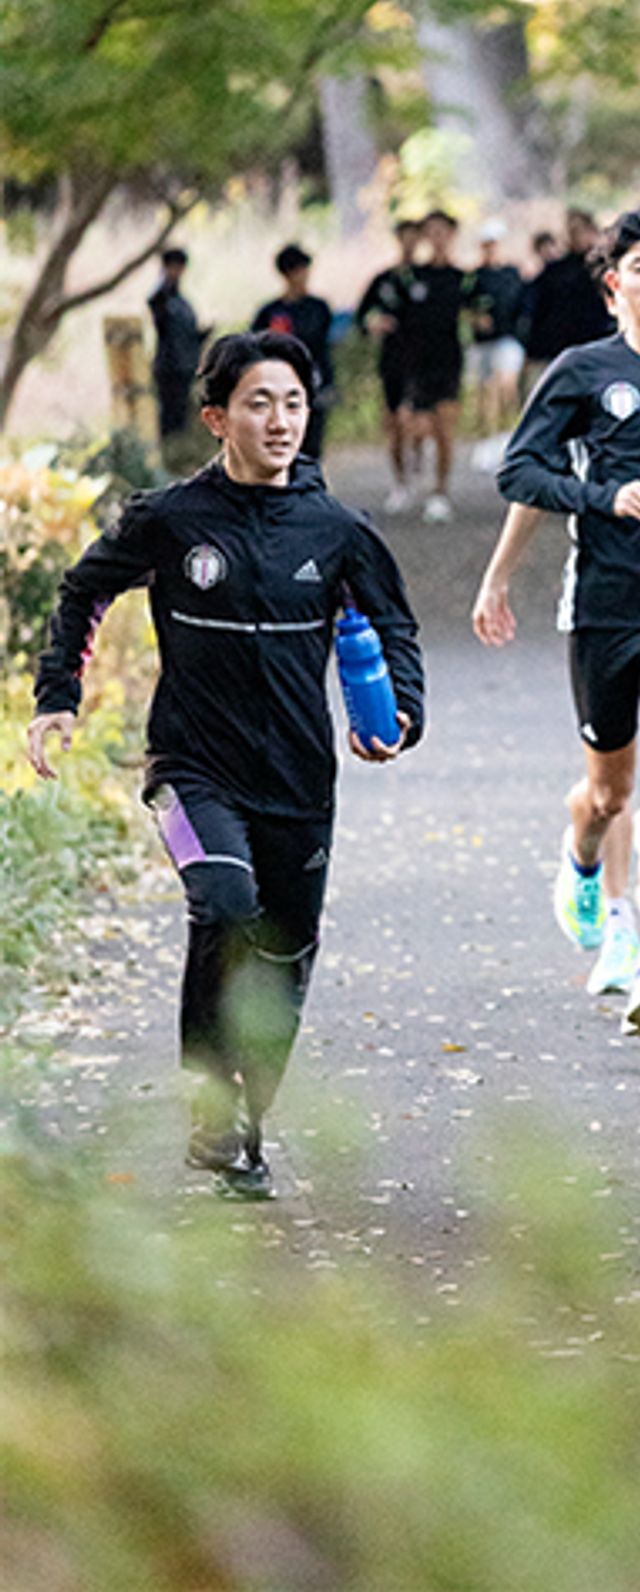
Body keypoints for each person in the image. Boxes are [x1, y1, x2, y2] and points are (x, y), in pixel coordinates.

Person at [26, 331, 424, 1201]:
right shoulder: (170, 520)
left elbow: (395, 627)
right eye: (258, 403)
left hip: (299, 782)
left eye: (293, 404)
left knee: (282, 963)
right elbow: (83, 589)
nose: (279, 421)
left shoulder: (337, 531)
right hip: (191, 768)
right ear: (216, 418)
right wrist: (59, 694)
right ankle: (209, 1102)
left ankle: (246, 1124)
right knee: (223, 900)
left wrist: (404, 714)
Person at [472, 205, 640, 1032]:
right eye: (638, 267)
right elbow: (521, 474)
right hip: (604, 606)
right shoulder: (583, 371)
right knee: (608, 793)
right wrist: (597, 501)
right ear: (613, 287)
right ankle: (583, 859)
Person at [399, 210, 467, 522]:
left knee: (444, 428)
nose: (437, 237)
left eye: (443, 231)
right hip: (416, 362)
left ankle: (440, 492)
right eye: (431, 231)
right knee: (416, 428)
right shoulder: (412, 277)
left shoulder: (462, 278)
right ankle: (414, 474)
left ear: (451, 235)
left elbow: (479, 309)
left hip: (448, 360)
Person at [356, 218, 423, 512]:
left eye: (413, 237)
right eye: (404, 237)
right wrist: (373, 323)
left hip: (423, 359)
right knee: (394, 421)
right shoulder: (384, 279)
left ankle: (418, 457)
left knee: (416, 419)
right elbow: (361, 315)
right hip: (393, 358)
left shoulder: (428, 277)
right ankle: (400, 481)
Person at [253, 244, 336, 460]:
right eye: (299, 271)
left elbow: (325, 347)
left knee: (312, 443)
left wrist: (329, 382)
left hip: (314, 382)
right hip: (280, 386)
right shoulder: (270, 312)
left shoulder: (319, 307)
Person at [523, 209, 614, 384]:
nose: (575, 236)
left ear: (591, 232)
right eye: (571, 230)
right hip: (559, 353)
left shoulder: (605, 269)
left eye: (580, 230)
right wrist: (533, 351)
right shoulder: (554, 271)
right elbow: (540, 311)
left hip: (598, 350)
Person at [463, 222, 528, 456]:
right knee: (484, 392)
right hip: (482, 342)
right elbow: (464, 307)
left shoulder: (512, 274)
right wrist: (475, 318)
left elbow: (523, 305)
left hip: (507, 339)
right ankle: (487, 437)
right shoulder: (474, 277)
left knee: (505, 386)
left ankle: (509, 434)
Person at [148, 247, 209, 464]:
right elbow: (156, 307)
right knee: (169, 417)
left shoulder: (182, 302)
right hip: (169, 367)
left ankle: (179, 456)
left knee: (182, 416)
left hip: (185, 366)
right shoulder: (163, 298)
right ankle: (168, 456)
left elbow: (188, 333)